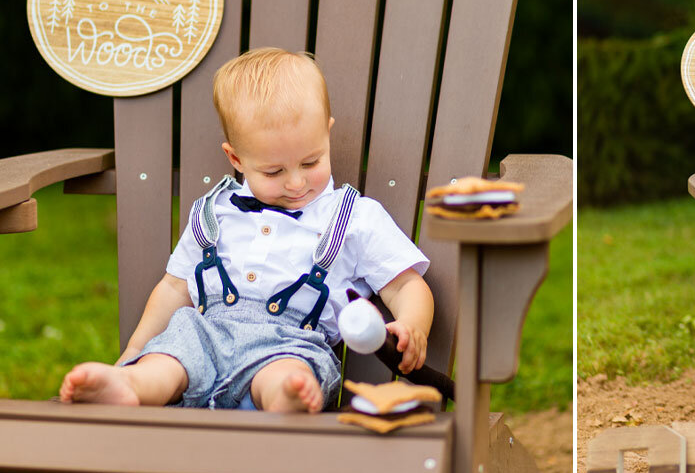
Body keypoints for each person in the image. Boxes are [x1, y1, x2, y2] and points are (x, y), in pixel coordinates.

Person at [60, 48, 434, 412]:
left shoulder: (354, 217)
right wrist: (135, 352)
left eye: (311, 160)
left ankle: (284, 396)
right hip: (207, 333)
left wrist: (412, 324)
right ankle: (131, 385)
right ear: (236, 159)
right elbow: (175, 287)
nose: (296, 182)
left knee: (289, 371)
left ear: (328, 134)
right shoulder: (215, 211)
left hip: (289, 341)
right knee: (169, 357)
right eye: (273, 172)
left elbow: (404, 284)